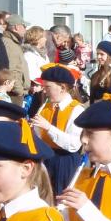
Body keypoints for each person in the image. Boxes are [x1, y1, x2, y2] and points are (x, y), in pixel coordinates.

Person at [29, 64, 83, 197]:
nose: (44, 91)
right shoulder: (45, 106)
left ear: (62, 88)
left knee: (61, 197)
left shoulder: (76, 110)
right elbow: (37, 135)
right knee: (43, 196)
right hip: (46, 158)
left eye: (48, 87)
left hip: (64, 161)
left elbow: (74, 144)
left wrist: (49, 128)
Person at [1, 15, 30, 106]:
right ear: (17, 27)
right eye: (24, 26)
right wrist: (19, 91)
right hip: (14, 93)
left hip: (15, 91)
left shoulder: (13, 42)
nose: (25, 30)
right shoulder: (9, 44)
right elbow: (12, 69)